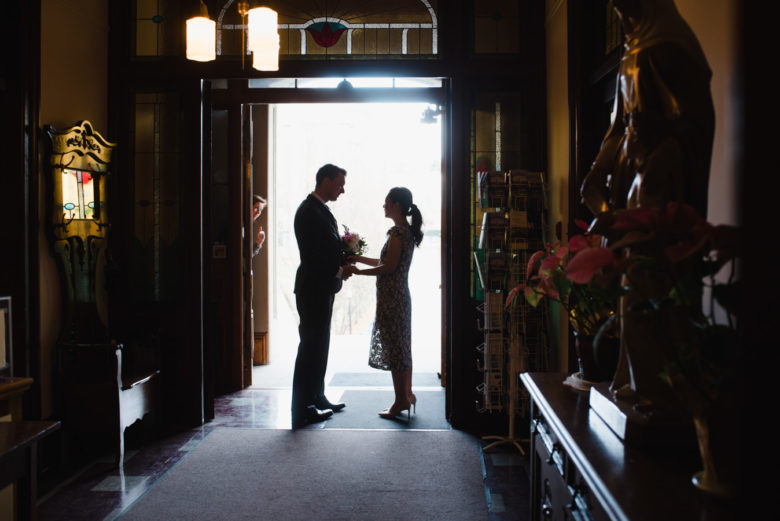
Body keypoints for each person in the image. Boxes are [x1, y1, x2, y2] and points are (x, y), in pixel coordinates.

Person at [346, 187, 423, 420]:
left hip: (393, 299)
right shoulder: (403, 232)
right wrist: (358, 258)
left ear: (397, 205)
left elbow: (388, 267)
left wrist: (358, 272)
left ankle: (401, 400)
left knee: (395, 348)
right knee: (401, 346)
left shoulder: (398, 234)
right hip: (398, 296)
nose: (383, 205)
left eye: (387, 201)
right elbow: (385, 261)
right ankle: (406, 395)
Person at [291, 164, 351, 429]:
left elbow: (328, 247)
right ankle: (303, 408)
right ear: (325, 180)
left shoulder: (319, 210)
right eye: (339, 184)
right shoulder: (309, 211)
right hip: (314, 287)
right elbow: (317, 256)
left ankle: (317, 396)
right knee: (310, 348)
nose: (342, 189)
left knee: (320, 345)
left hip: (322, 287)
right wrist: (338, 271)